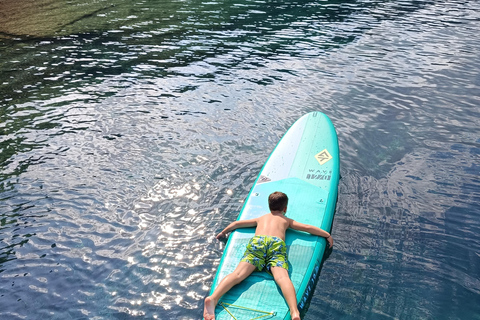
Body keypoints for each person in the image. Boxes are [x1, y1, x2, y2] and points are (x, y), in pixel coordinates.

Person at [204, 191, 334, 320]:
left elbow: (237, 224)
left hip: (258, 243)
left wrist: (223, 232)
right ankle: (294, 312)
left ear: (269, 206)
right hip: (275, 244)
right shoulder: (286, 220)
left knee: (238, 274)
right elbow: (306, 227)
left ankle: (213, 298)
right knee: (282, 278)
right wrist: (326, 235)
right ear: (285, 208)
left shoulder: (261, 218)